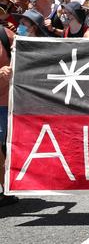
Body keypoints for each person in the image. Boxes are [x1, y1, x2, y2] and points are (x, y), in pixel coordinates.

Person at [0, 16, 14, 207]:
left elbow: (28, 56)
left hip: (3, 102)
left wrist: (11, 68)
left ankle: (6, 187)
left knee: (2, 147)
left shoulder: (6, 35)